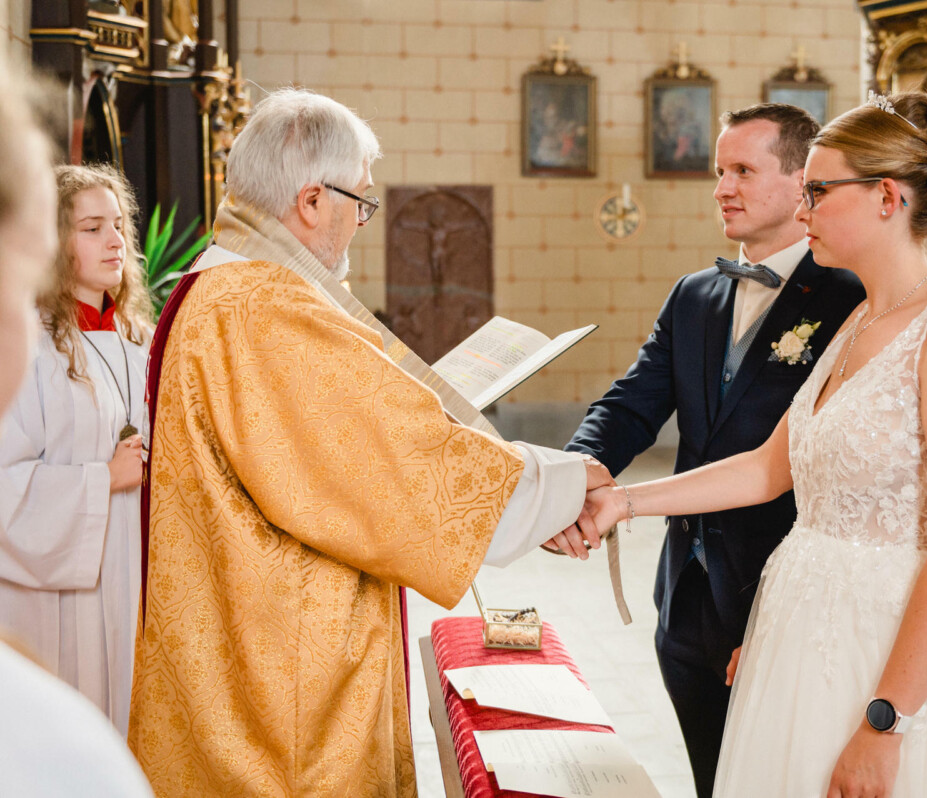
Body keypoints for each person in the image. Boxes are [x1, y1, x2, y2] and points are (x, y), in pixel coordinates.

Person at [583, 91, 927, 797]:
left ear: (886, 197)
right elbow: (765, 468)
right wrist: (620, 503)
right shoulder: (862, 321)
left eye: (817, 190)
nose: (803, 210)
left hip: (892, 655)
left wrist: (884, 723)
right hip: (801, 640)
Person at [127, 88, 609, 797]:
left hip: (239, 637)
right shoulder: (263, 306)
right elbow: (387, 461)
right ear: (312, 200)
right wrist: (562, 487)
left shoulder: (228, 285)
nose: (360, 222)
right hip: (277, 681)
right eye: (360, 202)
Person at [566, 103, 864, 797]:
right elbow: (632, 404)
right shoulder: (695, 295)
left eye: (742, 170)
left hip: (779, 596)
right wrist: (576, 473)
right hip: (688, 594)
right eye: (718, 171)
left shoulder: (852, 298)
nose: (721, 188)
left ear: (802, 182)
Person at [0, 59, 154, 798]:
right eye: (92, 228)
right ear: (51, 243)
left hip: (125, 577)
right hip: (52, 590)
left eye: (118, 225)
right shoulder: (25, 343)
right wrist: (104, 480)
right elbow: (3, 482)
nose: (114, 240)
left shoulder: (138, 343)